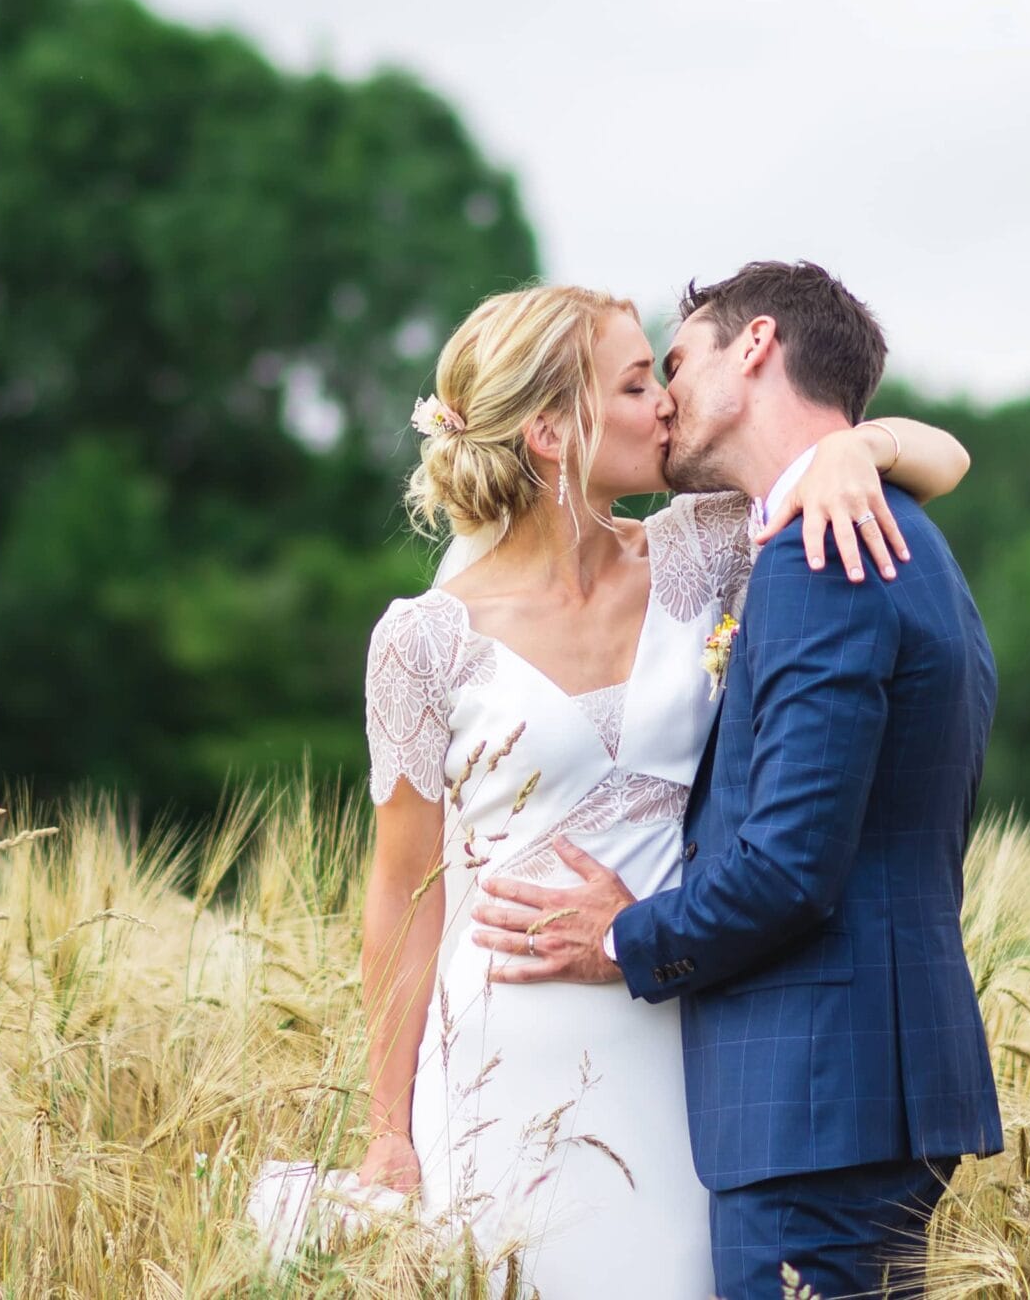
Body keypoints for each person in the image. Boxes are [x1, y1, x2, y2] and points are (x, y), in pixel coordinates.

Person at [357, 277, 974, 1297]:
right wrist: (386, 1131)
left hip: (690, 1024)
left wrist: (855, 449)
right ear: (553, 431)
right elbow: (402, 894)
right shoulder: (422, 641)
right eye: (640, 383)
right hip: (507, 1053)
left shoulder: (713, 543)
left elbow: (944, 458)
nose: (665, 405)